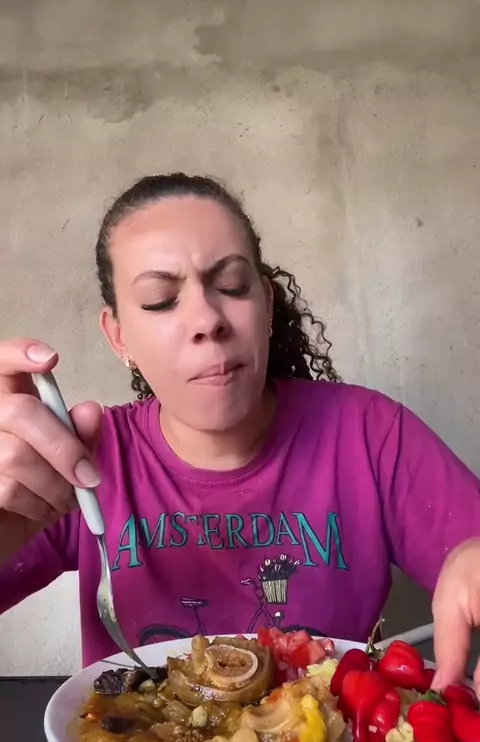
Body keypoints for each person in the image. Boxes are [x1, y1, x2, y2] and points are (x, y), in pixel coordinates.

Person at [0, 173, 479, 695]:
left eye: (230, 286)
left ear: (267, 307)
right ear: (119, 337)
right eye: (160, 300)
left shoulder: (370, 435)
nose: (207, 319)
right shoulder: (82, 461)